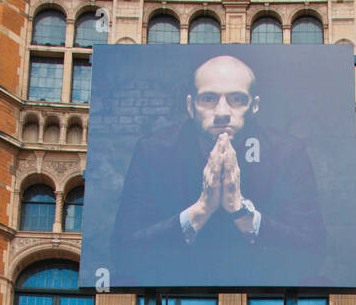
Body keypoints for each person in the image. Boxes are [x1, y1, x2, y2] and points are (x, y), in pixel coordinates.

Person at [110, 54, 327, 286]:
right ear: (190, 106)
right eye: (209, 98)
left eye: (236, 99)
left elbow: (313, 253)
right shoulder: (153, 151)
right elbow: (123, 253)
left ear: (254, 107)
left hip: (260, 286)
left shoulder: (288, 153)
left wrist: (241, 212)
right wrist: (201, 210)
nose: (222, 112)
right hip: (178, 284)